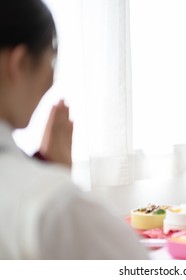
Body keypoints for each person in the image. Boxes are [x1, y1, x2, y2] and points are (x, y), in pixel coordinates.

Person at [0, 0, 148, 259]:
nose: (50, 80)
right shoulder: (51, 204)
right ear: (20, 63)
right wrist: (52, 177)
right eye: (52, 60)